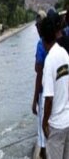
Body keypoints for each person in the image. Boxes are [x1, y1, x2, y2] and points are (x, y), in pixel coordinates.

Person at [40, 15, 69, 159]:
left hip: (57, 126)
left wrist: (44, 123)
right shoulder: (64, 53)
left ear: (43, 38)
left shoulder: (49, 60)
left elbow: (49, 99)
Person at [32, 10, 47, 159]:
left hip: (44, 91)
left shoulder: (40, 44)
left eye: (38, 26)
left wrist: (34, 99)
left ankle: (43, 152)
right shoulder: (55, 41)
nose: (37, 29)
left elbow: (39, 72)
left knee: (42, 126)